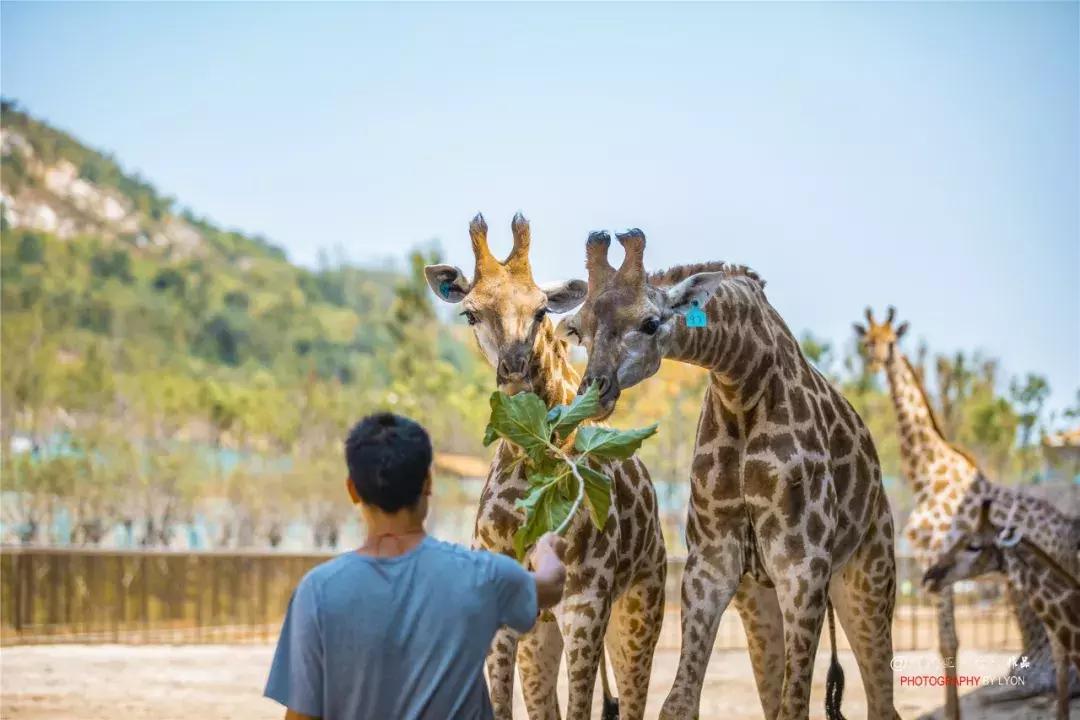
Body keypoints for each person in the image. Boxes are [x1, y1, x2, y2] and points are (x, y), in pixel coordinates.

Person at [264, 412, 567, 720]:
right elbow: (552, 584)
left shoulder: (317, 592)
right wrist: (546, 549)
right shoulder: (482, 576)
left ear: (353, 490)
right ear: (428, 483)